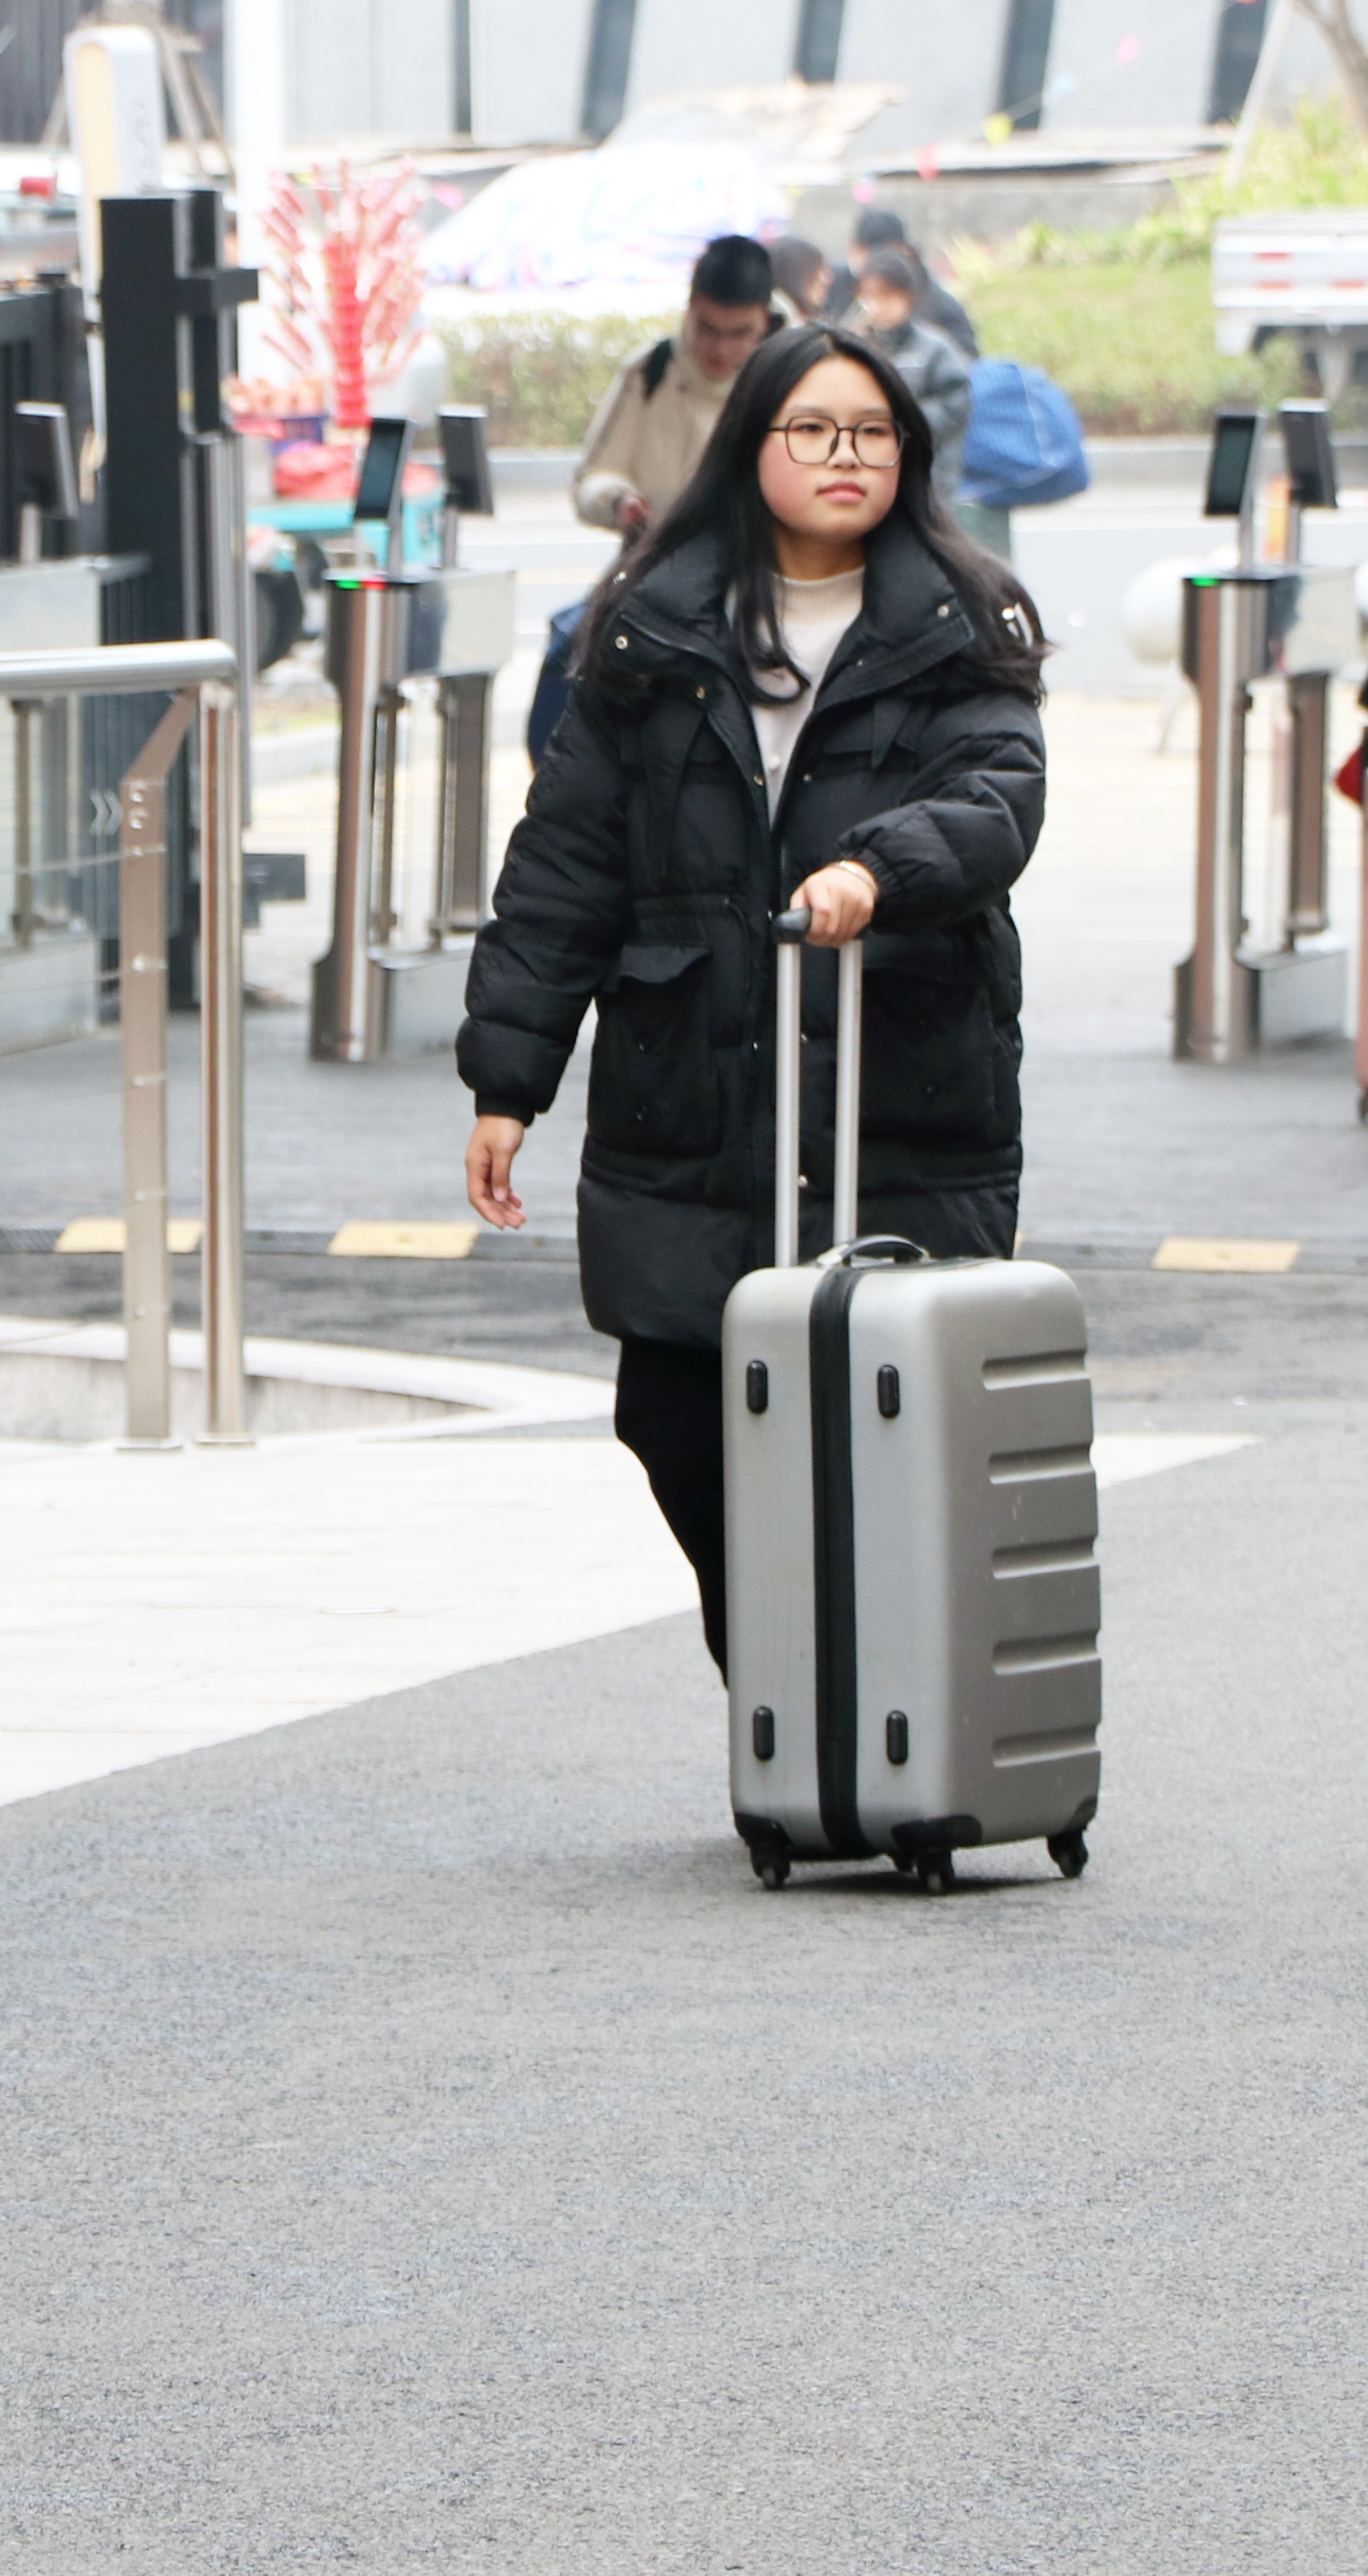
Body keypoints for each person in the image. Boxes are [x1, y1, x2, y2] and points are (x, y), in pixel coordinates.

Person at [459, 324, 1049, 1664]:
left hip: (895, 1081)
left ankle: (894, 1728)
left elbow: (999, 799)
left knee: (890, 1420)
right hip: (692, 1086)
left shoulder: (965, 616)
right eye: (814, 431)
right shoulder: (653, 626)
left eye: (873, 433)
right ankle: (781, 1689)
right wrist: (511, 1078)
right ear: (753, 447)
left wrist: (875, 872)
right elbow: (566, 865)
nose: (847, 458)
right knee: (674, 1411)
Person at [569, 234, 780, 539]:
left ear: (765, 318)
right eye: (707, 329)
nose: (721, 349)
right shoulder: (650, 370)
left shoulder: (786, 381)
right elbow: (593, 477)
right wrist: (619, 501)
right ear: (690, 307)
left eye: (740, 334)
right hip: (658, 562)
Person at [851, 248, 975, 513]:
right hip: (869, 476)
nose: (878, 305)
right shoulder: (854, 349)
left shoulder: (936, 349)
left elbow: (956, 408)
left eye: (888, 295)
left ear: (908, 297)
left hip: (929, 479)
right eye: (870, 296)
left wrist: (900, 424)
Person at [848, 206, 982, 354]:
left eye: (888, 294)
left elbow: (965, 362)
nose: (877, 307)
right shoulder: (843, 285)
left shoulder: (941, 307)